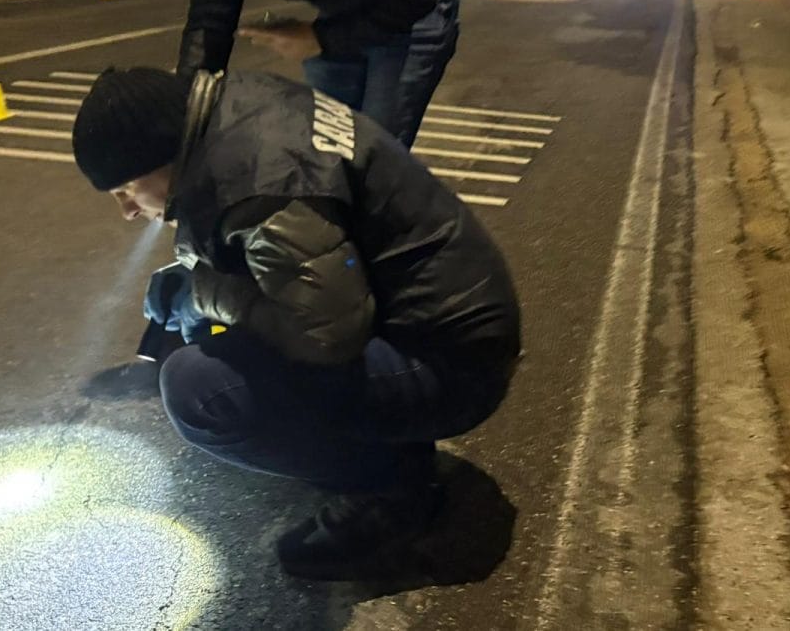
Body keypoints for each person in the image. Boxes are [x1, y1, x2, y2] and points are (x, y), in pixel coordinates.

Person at [72, 67, 521, 580]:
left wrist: (205, 293)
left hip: (453, 364)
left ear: (166, 153)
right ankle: (387, 442)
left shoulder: (263, 184)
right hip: (441, 316)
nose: (128, 211)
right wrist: (201, 274)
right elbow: (299, 255)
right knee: (221, 327)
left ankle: (388, 489)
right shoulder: (237, 108)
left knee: (198, 388)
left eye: (128, 188)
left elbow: (324, 336)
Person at [176, 0, 459, 148]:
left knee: (375, 161)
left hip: (411, 13)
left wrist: (320, 39)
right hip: (343, 9)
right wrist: (184, 121)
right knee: (326, 157)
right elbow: (211, 13)